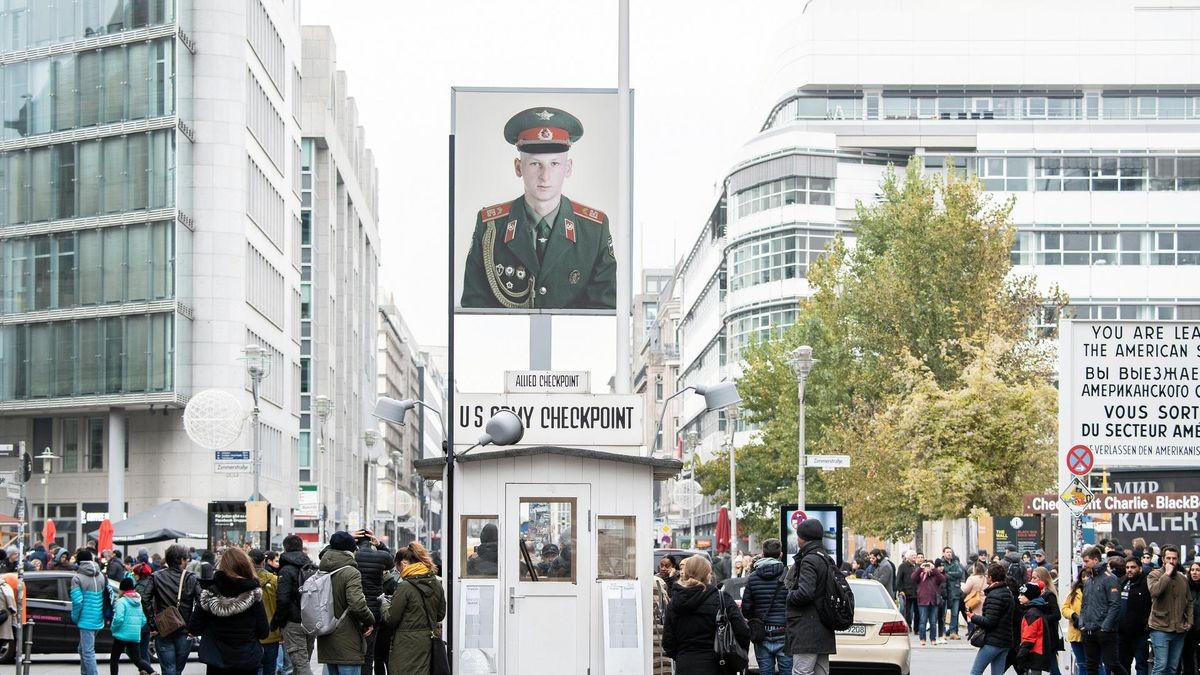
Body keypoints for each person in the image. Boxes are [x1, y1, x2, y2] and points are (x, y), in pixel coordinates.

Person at [460, 106, 617, 310]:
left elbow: (604, 316)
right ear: (518, 167)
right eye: (535, 164)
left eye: (554, 164)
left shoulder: (594, 229)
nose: (545, 176)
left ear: (568, 168)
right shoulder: (490, 227)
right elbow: (474, 310)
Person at [662, 555, 750, 674]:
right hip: (719, 665)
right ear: (708, 575)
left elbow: (668, 642)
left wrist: (682, 656)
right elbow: (742, 632)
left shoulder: (675, 602)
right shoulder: (721, 599)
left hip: (685, 665)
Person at [189, 547, 269, 675]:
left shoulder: (209, 594)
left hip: (216, 660)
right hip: (247, 659)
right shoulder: (254, 595)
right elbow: (264, 632)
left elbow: (194, 628)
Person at [315, 531, 376, 675]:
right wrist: (369, 620)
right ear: (350, 550)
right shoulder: (351, 572)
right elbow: (356, 604)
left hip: (326, 637)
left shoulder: (321, 570)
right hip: (347, 640)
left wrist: (340, 539)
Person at [785, 518, 837, 675]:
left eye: (798, 536)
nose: (797, 539)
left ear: (804, 538)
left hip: (808, 628)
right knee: (821, 671)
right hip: (824, 625)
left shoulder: (809, 560)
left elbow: (805, 593)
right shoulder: (825, 558)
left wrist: (788, 596)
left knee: (802, 672)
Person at [384, 542, 446, 675]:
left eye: (397, 567)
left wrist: (384, 604)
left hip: (405, 644)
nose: (398, 571)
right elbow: (440, 614)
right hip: (427, 642)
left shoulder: (405, 587)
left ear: (404, 564)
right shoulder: (436, 582)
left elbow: (391, 619)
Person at [145, 544, 201, 675]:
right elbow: (202, 602)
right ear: (181, 560)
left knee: (169, 669)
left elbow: (144, 598)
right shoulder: (191, 578)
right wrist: (194, 627)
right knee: (177, 670)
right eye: (187, 559)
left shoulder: (156, 577)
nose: (187, 562)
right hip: (185, 630)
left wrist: (152, 624)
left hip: (163, 629)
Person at [740, 538, 792, 675]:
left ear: (762, 554)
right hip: (784, 631)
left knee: (765, 672)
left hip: (762, 633)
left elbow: (746, 608)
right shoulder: (788, 576)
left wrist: (755, 618)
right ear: (780, 554)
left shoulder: (753, 577)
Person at [1146, 545, 1194, 675]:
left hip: (1179, 629)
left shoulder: (1182, 578)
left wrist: (1189, 622)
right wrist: (1166, 574)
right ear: (1163, 559)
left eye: (1174, 558)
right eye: (1168, 558)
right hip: (1160, 627)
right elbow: (1155, 592)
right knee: (1160, 665)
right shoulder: (1153, 575)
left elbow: (1189, 601)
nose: (1171, 561)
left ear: (1178, 560)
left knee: (1172, 668)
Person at [1080, 545, 1128, 675]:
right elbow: (1084, 604)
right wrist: (1082, 624)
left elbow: (1115, 605)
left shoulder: (1110, 578)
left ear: (1096, 560)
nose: (1084, 565)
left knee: (1112, 664)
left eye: (1086, 561)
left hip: (1104, 630)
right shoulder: (1089, 580)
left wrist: (1105, 627)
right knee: (1091, 666)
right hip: (1089, 628)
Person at [273, 534, 317, 675]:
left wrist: (277, 622)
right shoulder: (312, 568)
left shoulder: (286, 570)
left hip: (293, 621)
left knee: (300, 664)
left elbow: (283, 599)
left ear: (285, 548)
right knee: (304, 662)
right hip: (311, 620)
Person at [352, 529, 392, 675]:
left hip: (352, 611)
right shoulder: (380, 556)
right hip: (374, 611)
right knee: (368, 656)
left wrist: (350, 539)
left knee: (352, 654)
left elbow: (325, 556)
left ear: (356, 541)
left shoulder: (351, 556)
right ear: (371, 541)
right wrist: (380, 544)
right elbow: (391, 561)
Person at [966, 563, 1015, 675]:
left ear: (991, 578)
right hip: (1006, 641)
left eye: (987, 575)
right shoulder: (1007, 592)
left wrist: (973, 617)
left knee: (976, 672)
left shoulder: (994, 595)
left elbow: (990, 621)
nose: (986, 577)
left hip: (993, 641)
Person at [70, 548, 111, 675]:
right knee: (82, 649)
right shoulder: (101, 576)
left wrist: (75, 617)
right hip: (98, 618)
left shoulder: (77, 578)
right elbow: (110, 595)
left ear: (79, 562)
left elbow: (77, 602)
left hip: (85, 619)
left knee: (87, 652)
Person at [110, 577, 155, 675]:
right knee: (138, 659)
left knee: (114, 660)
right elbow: (143, 619)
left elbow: (118, 619)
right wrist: (135, 628)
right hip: (135, 636)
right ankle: (152, 672)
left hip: (121, 635)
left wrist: (114, 629)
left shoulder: (121, 602)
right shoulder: (138, 601)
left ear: (122, 589)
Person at [1117, 557, 1152, 675]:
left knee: (1141, 666)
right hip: (1122, 633)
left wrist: (1147, 623)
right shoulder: (1121, 582)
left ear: (1140, 568)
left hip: (1140, 633)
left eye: (1133, 567)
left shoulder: (1146, 584)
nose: (1129, 570)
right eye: (1127, 567)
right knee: (1122, 665)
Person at [249, 550, 282, 675]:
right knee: (269, 668)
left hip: (250, 634)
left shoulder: (244, 581)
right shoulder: (275, 580)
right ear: (264, 562)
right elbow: (281, 605)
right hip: (271, 632)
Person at [1015, 579, 1054, 675]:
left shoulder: (1031, 614)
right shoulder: (1036, 610)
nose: (1019, 597)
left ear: (1030, 596)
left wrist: (1021, 655)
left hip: (1034, 654)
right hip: (1037, 653)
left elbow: (1029, 638)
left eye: (1022, 595)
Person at [1031, 566, 1064, 675]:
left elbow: (1056, 615)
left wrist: (1041, 619)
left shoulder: (1049, 595)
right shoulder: (1037, 593)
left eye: (1035, 578)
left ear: (1042, 579)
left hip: (1049, 635)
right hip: (1041, 634)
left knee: (1052, 665)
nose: (1032, 580)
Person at [912, 557, 946, 645]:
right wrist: (920, 568)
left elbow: (942, 579)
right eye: (926, 566)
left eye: (929, 566)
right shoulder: (921, 575)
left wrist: (934, 569)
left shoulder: (936, 576)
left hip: (934, 601)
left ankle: (933, 639)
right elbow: (913, 578)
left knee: (933, 622)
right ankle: (922, 639)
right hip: (923, 601)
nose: (927, 568)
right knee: (923, 621)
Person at [1181, 561, 1200, 675]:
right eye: (1192, 570)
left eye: (1198, 570)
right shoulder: (1185, 587)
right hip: (1189, 629)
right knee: (1188, 658)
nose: (1194, 572)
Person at [943, 547, 966, 640]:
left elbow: (960, 573)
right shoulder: (941, 562)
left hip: (955, 591)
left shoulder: (956, 562)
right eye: (947, 552)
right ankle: (942, 632)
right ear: (943, 553)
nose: (949, 554)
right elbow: (943, 574)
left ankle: (953, 632)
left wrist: (949, 574)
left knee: (955, 613)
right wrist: (952, 574)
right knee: (943, 614)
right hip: (945, 591)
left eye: (950, 552)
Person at [896, 550, 918, 634]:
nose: (914, 557)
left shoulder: (917, 566)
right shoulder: (903, 566)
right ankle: (908, 626)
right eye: (913, 555)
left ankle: (917, 629)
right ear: (907, 557)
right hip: (906, 592)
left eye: (915, 555)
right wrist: (900, 590)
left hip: (916, 592)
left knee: (917, 612)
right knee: (907, 612)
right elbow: (899, 579)